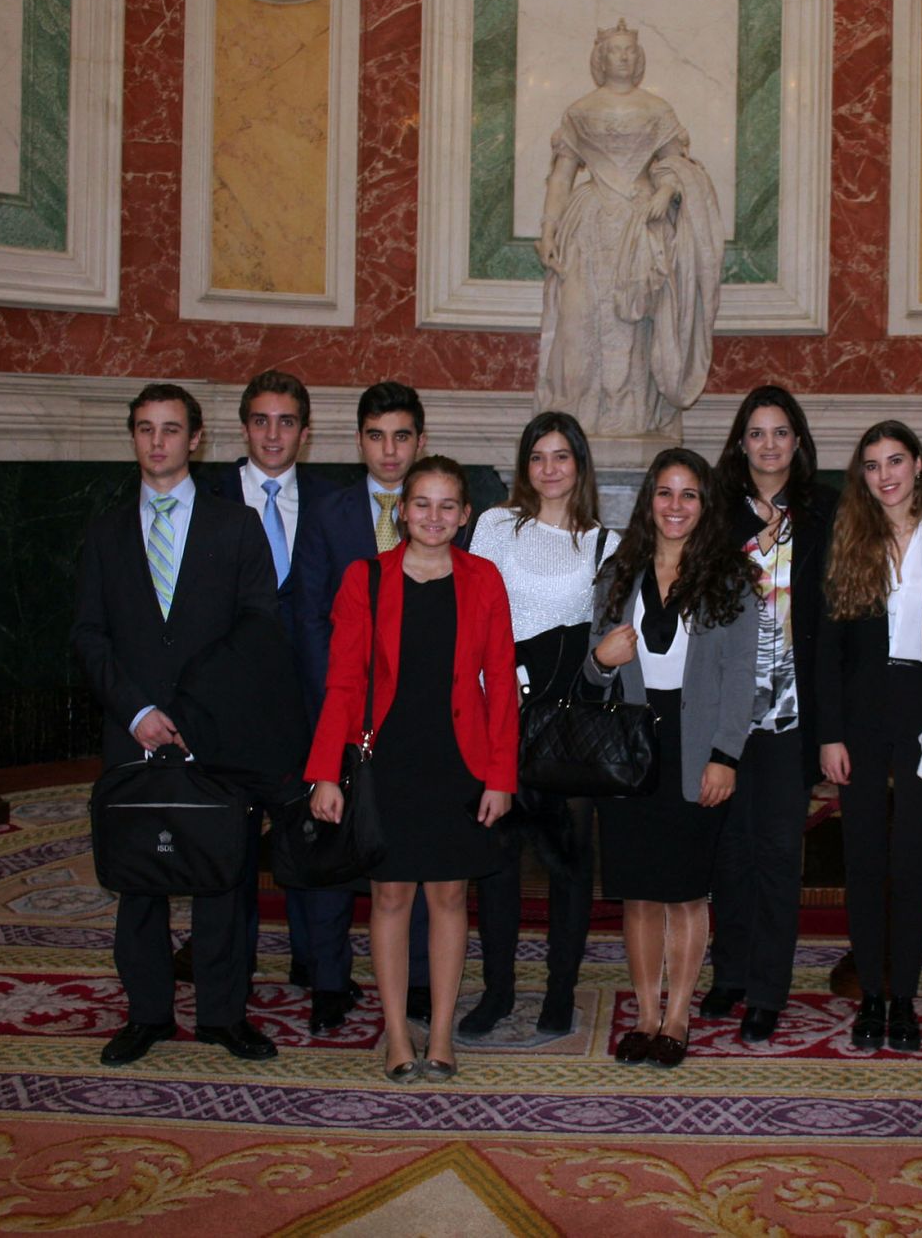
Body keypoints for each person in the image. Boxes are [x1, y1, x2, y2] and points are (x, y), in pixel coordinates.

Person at [72, 383, 280, 1067]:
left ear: (196, 439)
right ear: (133, 437)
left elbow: (257, 626)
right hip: (131, 731)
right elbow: (89, 635)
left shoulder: (236, 525)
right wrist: (135, 711)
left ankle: (223, 1015)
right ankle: (148, 1014)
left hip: (211, 731)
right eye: (144, 428)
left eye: (171, 429)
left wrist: (193, 712)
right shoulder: (104, 533)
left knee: (222, 875)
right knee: (140, 878)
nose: (157, 441)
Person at [305, 456, 518, 1083]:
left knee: (450, 895)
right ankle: (397, 1033)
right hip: (386, 761)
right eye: (421, 503)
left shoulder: (484, 580)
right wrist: (323, 771)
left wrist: (502, 775)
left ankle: (443, 1033)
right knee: (391, 896)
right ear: (402, 510)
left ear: (466, 515)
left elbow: (501, 685)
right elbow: (342, 682)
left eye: (447, 505)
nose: (433, 516)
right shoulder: (364, 579)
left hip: (458, 761)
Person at [815, 421, 922, 1054]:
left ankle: (906, 996)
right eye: (871, 465)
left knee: (913, 861)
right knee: (864, 859)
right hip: (862, 712)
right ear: (861, 477)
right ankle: (871, 995)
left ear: (918, 465)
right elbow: (829, 650)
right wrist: (829, 734)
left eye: (895, 461)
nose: (885, 475)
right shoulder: (850, 538)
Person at [584, 449, 758, 1068]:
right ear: (648, 501)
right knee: (638, 894)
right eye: (665, 493)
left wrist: (725, 756)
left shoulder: (730, 578)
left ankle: (678, 1016)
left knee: (685, 893)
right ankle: (645, 1014)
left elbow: (742, 676)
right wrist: (602, 661)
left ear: (705, 506)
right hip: (630, 748)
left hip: (695, 750)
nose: (675, 506)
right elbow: (591, 668)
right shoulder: (616, 572)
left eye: (689, 495)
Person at [460, 412, 613, 1037]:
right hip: (495, 712)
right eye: (538, 457)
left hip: (565, 726)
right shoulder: (496, 526)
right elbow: (471, 612)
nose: (550, 469)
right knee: (495, 859)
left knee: (570, 864)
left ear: (579, 463)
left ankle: (559, 989)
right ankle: (497, 991)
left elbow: (598, 642)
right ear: (525, 468)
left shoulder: (604, 542)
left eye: (561, 456)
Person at [290, 382, 435, 1030]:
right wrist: (340, 706)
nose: (389, 449)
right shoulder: (328, 513)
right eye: (377, 435)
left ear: (421, 442)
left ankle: (424, 980)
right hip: (342, 709)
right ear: (358, 441)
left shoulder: (441, 509)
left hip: (419, 715)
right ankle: (329, 978)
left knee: (418, 846)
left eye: (402, 436)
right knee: (334, 840)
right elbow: (310, 614)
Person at [696, 386, 838, 1044]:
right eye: (757, 432)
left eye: (782, 432)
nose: (770, 444)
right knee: (728, 848)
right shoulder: (716, 513)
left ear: (799, 442)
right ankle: (728, 972)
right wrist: (757, 535)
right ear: (740, 443)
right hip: (726, 710)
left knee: (779, 850)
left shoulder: (826, 512)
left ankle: (767, 988)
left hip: (790, 711)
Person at [201, 369, 334, 1003]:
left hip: (309, 695)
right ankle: (232, 968)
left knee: (308, 828)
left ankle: (312, 962)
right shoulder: (208, 496)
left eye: (286, 422)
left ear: (305, 434)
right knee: (231, 837)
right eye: (260, 420)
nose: (272, 434)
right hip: (232, 702)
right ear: (244, 426)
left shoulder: (333, 500)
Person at [533, 20, 723, 440]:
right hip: (588, 227)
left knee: (635, 324)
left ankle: (633, 418)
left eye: (630, 51)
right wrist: (548, 230)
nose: (624, 57)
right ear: (601, 59)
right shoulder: (580, 111)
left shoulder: (657, 110)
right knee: (580, 318)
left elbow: (678, 165)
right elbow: (562, 175)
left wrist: (667, 189)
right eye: (616, 51)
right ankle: (580, 420)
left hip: (641, 226)